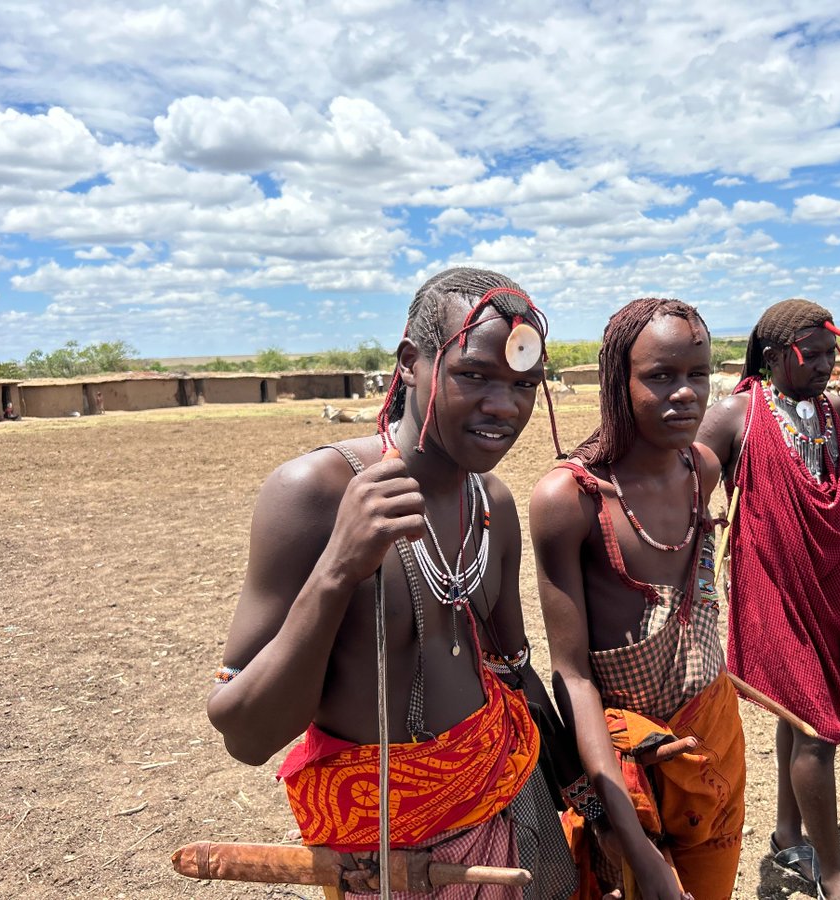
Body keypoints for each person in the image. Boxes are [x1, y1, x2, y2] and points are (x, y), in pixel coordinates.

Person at [207, 268, 575, 899]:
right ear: (410, 363)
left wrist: (592, 799)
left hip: (510, 817)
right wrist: (338, 569)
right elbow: (246, 734)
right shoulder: (314, 494)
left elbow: (513, 669)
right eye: (473, 375)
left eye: (523, 384)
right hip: (390, 865)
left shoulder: (491, 504)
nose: (503, 406)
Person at [531, 298, 745, 900]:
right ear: (616, 383)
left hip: (712, 742)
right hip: (623, 770)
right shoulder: (570, 501)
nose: (686, 393)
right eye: (660, 376)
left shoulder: (702, 469)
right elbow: (572, 676)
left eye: (698, 374)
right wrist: (631, 841)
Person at [696, 299, 840, 900]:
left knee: (798, 716)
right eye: (813, 355)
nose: (827, 366)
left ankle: (786, 833)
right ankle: (834, 873)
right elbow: (686, 480)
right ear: (774, 357)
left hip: (829, 584)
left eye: (831, 354)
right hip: (773, 590)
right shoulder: (736, 417)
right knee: (815, 726)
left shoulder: (834, 412)